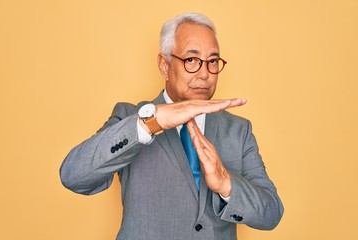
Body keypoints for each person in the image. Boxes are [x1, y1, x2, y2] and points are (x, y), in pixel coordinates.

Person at [60, 12, 284, 239]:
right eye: (191, 60)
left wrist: (226, 183)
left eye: (212, 61)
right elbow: (73, 176)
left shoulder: (238, 130)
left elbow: (272, 212)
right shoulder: (130, 118)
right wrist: (150, 124)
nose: (205, 74)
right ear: (164, 66)